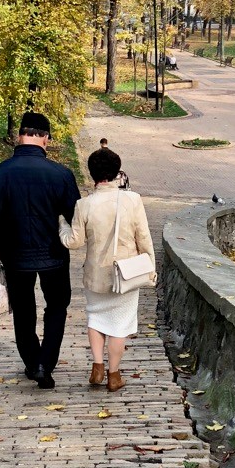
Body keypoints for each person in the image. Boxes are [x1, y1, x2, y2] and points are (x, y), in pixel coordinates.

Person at [0, 112, 81, 389]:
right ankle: (45, 363)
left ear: (19, 136)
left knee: (24, 310)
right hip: (54, 255)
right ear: (45, 139)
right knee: (57, 307)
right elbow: (76, 217)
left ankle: (32, 361)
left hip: (15, 256)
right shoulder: (61, 174)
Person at [59, 148, 154, 393]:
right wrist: (150, 266)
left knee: (96, 319)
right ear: (116, 173)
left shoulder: (84, 205)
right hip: (126, 274)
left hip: (96, 276)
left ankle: (97, 367)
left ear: (92, 174)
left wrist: (61, 223)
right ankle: (114, 375)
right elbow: (143, 236)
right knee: (120, 326)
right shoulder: (133, 200)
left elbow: (73, 242)